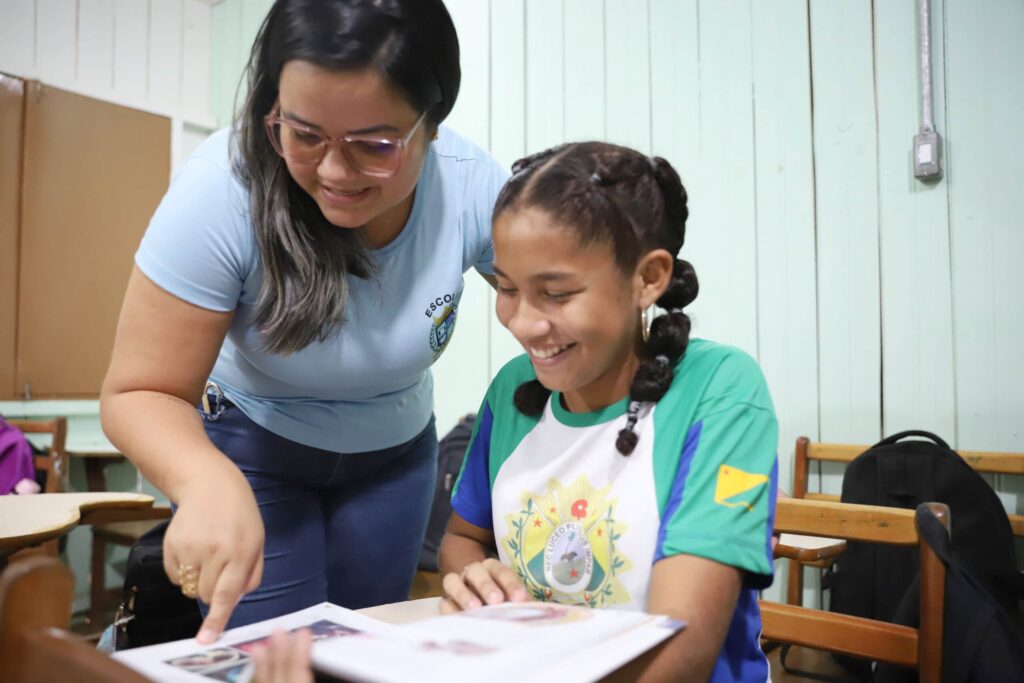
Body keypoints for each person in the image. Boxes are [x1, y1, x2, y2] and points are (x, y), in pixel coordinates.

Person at [100, 0, 506, 644]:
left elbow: (561, 300)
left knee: (363, 649)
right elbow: (139, 390)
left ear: (433, 125)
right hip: (249, 454)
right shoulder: (221, 189)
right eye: (305, 135)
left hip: (394, 458)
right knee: (274, 656)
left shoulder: (472, 187)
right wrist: (202, 482)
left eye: (375, 145)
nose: (336, 172)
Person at [438, 142, 780, 682]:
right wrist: (476, 578)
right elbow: (463, 538)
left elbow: (681, 651)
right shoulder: (513, 390)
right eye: (506, 288)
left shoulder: (720, 390)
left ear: (648, 279)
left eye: (556, 293)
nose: (523, 324)